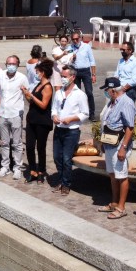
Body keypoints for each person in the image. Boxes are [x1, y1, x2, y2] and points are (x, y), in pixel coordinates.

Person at [96, 76, 136, 220]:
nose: (106, 92)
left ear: (113, 90)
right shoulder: (112, 102)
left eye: (107, 90)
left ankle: (121, 207)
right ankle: (114, 202)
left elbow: (130, 127)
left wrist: (123, 148)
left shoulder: (126, 103)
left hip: (119, 145)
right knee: (113, 174)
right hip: (109, 143)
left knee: (121, 175)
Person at [51, 65, 89, 195]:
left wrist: (72, 119)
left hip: (71, 131)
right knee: (57, 157)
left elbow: (85, 113)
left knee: (67, 158)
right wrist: (54, 116)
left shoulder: (80, 94)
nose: (62, 79)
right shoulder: (58, 92)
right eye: (61, 76)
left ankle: (66, 183)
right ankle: (61, 180)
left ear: (73, 77)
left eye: (65, 76)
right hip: (59, 128)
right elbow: (54, 108)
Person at [0, 55, 30, 180]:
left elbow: (28, 95)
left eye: (13, 63)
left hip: (16, 114)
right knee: (4, 142)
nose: (11, 66)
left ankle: (17, 167)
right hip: (3, 114)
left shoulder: (22, 78)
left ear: (18, 64)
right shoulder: (1, 76)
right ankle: (5, 166)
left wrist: (25, 92)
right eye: (8, 63)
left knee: (17, 143)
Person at [22, 59, 54, 183]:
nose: (36, 74)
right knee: (30, 147)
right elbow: (32, 102)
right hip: (32, 119)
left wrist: (32, 96)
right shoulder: (38, 84)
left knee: (41, 147)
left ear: (43, 72)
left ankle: (41, 171)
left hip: (42, 121)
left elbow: (43, 105)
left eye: (38, 72)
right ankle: (32, 170)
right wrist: (26, 94)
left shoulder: (47, 87)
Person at [70, 32, 97, 121]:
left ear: (80, 38)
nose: (75, 41)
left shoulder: (86, 47)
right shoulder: (70, 48)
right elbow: (67, 62)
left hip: (85, 71)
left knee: (89, 92)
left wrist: (93, 74)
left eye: (76, 39)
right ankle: (78, 113)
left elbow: (92, 61)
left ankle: (92, 113)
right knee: (76, 92)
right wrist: (72, 59)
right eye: (73, 39)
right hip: (75, 71)